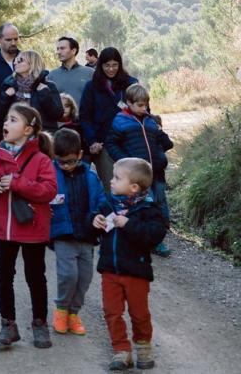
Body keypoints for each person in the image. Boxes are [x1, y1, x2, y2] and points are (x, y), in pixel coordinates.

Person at [0, 103, 57, 350]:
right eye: (6, 119)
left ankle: (40, 323)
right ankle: (8, 325)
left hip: (32, 228)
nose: (6, 124)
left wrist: (17, 183)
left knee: (35, 277)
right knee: (3, 277)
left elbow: (49, 191)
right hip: (6, 228)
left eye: (12, 120)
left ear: (28, 129)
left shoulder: (41, 159)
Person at [92, 157, 167, 371]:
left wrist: (129, 224)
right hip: (110, 270)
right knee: (111, 311)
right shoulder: (108, 203)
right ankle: (121, 350)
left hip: (136, 272)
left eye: (117, 178)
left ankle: (143, 346)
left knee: (139, 313)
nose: (111, 181)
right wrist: (95, 220)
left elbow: (154, 235)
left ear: (133, 187)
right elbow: (95, 220)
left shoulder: (148, 210)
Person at [105, 84, 174, 257]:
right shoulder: (120, 121)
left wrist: (160, 156)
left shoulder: (150, 121)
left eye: (146, 105)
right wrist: (125, 160)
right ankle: (146, 239)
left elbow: (166, 143)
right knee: (145, 205)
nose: (144, 109)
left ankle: (159, 236)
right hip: (138, 175)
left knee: (161, 204)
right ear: (129, 102)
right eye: (140, 105)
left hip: (156, 173)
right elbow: (111, 144)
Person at [49, 128, 106, 336]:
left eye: (70, 161)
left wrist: (101, 215)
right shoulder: (51, 173)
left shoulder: (91, 176)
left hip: (87, 235)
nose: (65, 166)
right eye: (61, 161)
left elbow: (101, 200)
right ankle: (61, 310)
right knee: (68, 275)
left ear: (80, 155)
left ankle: (74, 313)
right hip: (63, 234)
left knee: (85, 277)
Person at [79, 47, 138, 192]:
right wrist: (92, 140)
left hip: (129, 141)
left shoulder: (130, 83)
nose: (111, 69)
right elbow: (85, 117)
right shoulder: (92, 87)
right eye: (107, 65)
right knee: (111, 186)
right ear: (101, 65)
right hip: (103, 144)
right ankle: (114, 214)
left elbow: (143, 109)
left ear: (120, 65)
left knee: (132, 184)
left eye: (114, 65)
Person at [0, 50, 64, 132]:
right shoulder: (9, 85)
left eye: (20, 60)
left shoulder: (48, 86)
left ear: (32, 63)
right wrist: (5, 97)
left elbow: (57, 114)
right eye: (15, 60)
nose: (15, 63)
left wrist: (44, 94)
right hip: (15, 135)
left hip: (42, 135)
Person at [47, 36, 95, 105]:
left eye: (62, 48)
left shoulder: (90, 73)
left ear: (73, 51)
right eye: (58, 49)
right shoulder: (51, 75)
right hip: (59, 115)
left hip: (84, 115)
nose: (58, 52)